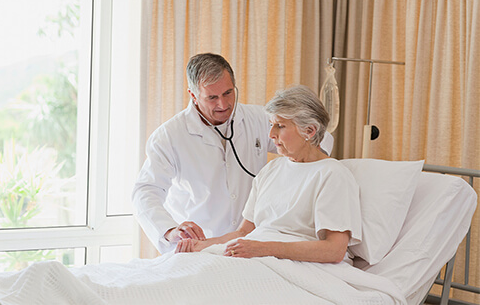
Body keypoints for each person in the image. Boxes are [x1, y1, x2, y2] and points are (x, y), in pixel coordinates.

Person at [132, 54, 334, 254]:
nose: (223, 104)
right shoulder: (170, 136)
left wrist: (307, 178)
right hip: (200, 245)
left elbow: (317, 138)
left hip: (248, 244)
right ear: (193, 95)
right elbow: (146, 191)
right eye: (212, 97)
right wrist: (169, 230)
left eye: (228, 93)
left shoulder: (257, 118)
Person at [176, 85, 361, 264]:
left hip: (295, 264)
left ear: (310, 131)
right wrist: (200, 245)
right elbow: (242, 234)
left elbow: (334, 250)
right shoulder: (271, 170)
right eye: (271, 125)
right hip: (256, 257)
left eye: (280, 126)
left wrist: (264, 249)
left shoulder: (332, 175)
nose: (271, 134)